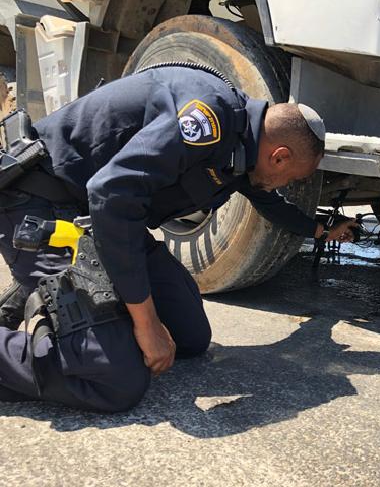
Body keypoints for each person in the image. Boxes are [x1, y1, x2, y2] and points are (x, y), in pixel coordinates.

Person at [0, 65, 356, 411]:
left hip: (100, 222)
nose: (287, 185)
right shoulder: (209, 119)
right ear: (280, 157)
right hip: (44, 210)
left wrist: (321, 231)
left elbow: (270, 204)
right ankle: (51, 309)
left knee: (190, 338)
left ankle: (56, 300)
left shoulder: (245, 146)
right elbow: (112, 194)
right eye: (291, 178)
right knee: (115, 378)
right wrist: (146, 323)